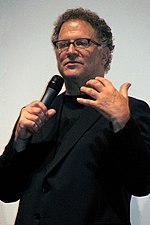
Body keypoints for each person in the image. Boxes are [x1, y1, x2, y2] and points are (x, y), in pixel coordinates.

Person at [0, 7, 150, 225]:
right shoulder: (39, 113)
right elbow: (6, 191)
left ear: (105, 54)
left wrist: (122, 123)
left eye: (82, 42)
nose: (70, 50)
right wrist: (19, 141)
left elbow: (142, 184)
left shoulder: (130, 110)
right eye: (63, 44)